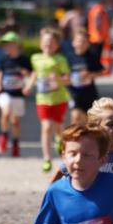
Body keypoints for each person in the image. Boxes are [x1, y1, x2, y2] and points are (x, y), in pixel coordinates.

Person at [23, 27, 70, 173]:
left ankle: (58, 140)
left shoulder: (60, 59)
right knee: (46, 127)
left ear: (57, 45)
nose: (48, 45)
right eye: (45, 42)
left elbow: (67, 79)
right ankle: (46, 158)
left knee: (58, 128)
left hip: (59, 98)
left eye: (51, 43)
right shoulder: (35, 58)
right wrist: (29, 86)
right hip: (42, 99)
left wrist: (57, 78)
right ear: (40, 44)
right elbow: (35, 73)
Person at [0, 31, 31, 158]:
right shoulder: (3, 59)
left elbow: (31, 75)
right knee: (6, 111)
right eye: (4, 45)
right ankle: (3, 136)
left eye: (8, 44)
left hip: (18, 94)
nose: (6, 47)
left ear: (16, 45)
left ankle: (15, 143)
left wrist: (26, 77)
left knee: (15, 122)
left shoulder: (24, 60)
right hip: (5, 92)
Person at [65, 27, 104, 126]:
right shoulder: (69, 57)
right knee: (75, 117)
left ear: (88, 44)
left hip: (89, 93)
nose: (81, 44)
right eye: (78, 41)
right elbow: (63, 74)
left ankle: (88, 139)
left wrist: (90, 74)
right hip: (74, 93)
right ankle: (75, 138)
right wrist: (66, 78)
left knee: (90, 122)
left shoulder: (91, 56)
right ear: (73, 42)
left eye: (84, 42)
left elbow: (101, 72)